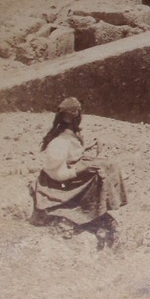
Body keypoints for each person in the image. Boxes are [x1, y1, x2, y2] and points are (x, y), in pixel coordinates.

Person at [32, 97, 126, 246]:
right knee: (98, 173)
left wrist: (90, 149)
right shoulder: (58, 143)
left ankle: (98, 210)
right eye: (77, 115)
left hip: (70, 173)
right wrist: (81, 169)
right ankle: (82, 212)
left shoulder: (71, 136)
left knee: (110, 164)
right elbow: (56, 174)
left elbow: (73, 155)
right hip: (58, 184)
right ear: (71, 118)